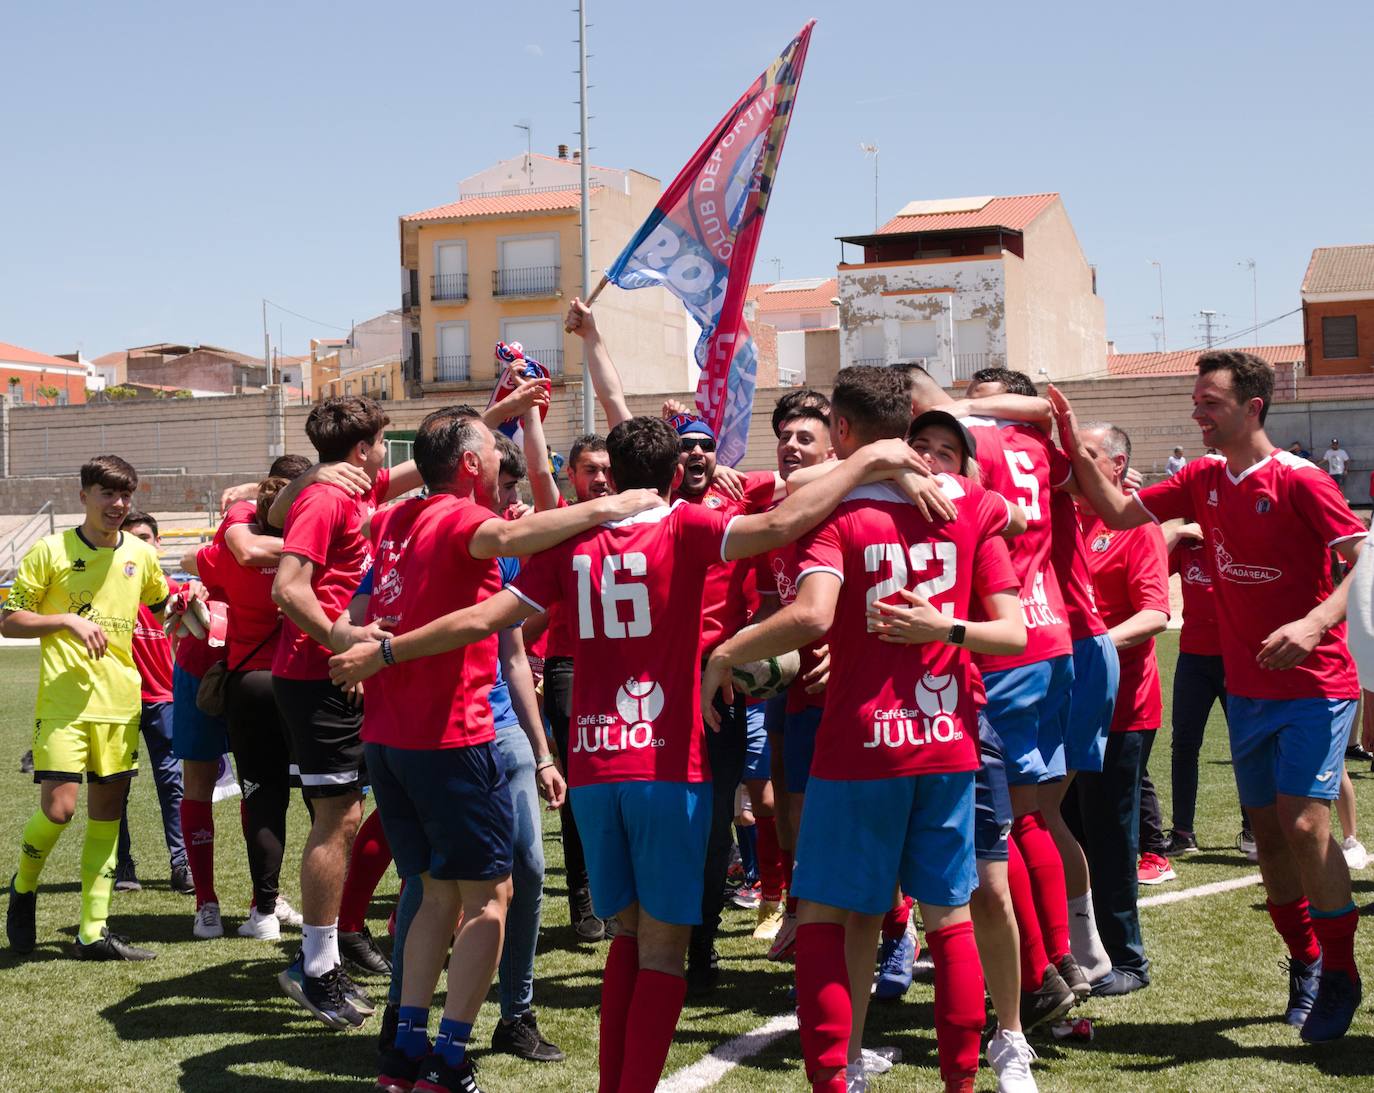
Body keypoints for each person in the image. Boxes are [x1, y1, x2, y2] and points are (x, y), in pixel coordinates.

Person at [330, 410, 940, 1093]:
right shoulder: (687, 523)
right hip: (663, 763)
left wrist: (386, 648)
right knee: (663, 950)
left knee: (625, 935)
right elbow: (781, 525)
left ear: (612, 475)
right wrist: (867, 463)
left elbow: (484, 619)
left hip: (592, 767)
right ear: (677, 473)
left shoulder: (571, 541)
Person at [702, 367, 1026, 1093]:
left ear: (841, 432)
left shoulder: (835, 509)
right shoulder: (972, 502)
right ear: (907, 422)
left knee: (823, 909)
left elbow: (813, 614)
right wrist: (947, 626)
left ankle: (835, 1077)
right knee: (947, 915)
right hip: (946, 741)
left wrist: (725, 652)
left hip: (859, 744)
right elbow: (1011, 632)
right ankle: (961, 1079)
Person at [1052, 349, 1367, 1042]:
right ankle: (1306, 961)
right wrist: (1070, 439)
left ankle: (1341, 973)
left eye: (1210, 402)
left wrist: (1315, 622)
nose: (1198, 411)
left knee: (1307, 824)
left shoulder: (1301, 480)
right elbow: (1111, 506)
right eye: (1196, 400)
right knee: (1274, 843)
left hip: (1316, 686)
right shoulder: (1199, 477)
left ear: (1254, 407)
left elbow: (1364, 559)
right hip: (1248, 689)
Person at [328, 405, 637, 1091]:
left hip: (390, 739)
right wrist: (612, 508)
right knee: (491, 897)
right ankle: (449, 1057)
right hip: (451, 738)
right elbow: (517, 531)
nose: (502, 466)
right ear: (470, 465)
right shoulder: (465, 520)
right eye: (491, 454)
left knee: (436, 894)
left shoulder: (396, 518)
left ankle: (402, 1055)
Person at [269, 395, 425, 1027]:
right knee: (337, 819)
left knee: (345, 814)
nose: (389, 455)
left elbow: (422, 467)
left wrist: (505, 410)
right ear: (363, 450)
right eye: (384, 442)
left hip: (333, 672)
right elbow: (288, 587)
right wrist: (342, 638)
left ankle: (325, 960)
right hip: (317, 674)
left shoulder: (353, 487)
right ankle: (312, 967)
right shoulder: (330, 497)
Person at [4, 455, 169, 960]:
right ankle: (24, 886)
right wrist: (65, 622)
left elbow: (160, 607)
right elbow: (8, 619)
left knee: (105, 814)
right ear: (83, 496)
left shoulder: (141, 554)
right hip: (64, 705)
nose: (118, 505)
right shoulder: (50, 551)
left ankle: (92, 932)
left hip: (121, 703)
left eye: (126, 495)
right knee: (59, 810)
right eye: (107, 494)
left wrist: (187, 610)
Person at [183, 479, 307, 940]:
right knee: (273, 791)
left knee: (261, 789)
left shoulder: (241, 546)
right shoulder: (307, 550)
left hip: (236, 679)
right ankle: (214, 902)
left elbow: (194, 559)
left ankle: (260, 902)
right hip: (209, 671)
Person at [1075, 422, 1170, 994]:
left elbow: (1155, 613)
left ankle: (1128, 959)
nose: (1073, 463)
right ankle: (1074, 948)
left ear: (1115, 466)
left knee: (1110, 836)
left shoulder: (1136, 526)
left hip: (1121, 710)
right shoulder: (1063, 519)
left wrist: (1092, 648)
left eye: (1085, 455)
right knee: (1065, 831)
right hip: (1063, 704)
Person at [115, 511, 191, 896]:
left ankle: (181, 864)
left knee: (173, 784)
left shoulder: (176, 591)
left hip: (164, 699)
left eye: (146, 537)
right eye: (132, 538)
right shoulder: (110, 589)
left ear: (158, 544)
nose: (141, 545)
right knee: (115, 787)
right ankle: (122, 865)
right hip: (118, 699)